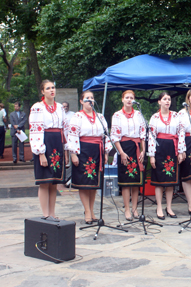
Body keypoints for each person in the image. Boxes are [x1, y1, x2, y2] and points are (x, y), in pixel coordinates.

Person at [67, 90, 112, 224]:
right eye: (87, 98)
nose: (90, 100)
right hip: (83, 150)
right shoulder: (77, 117)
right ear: (81, 101)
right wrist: (73, 154)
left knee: (93, 183)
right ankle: (86, 210)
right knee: (84, 183)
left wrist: (106, 153)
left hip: (97, 150)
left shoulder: (100, 116)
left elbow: (105, 135)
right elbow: (72, 135)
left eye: (92, 98)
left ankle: (92, 211)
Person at [29, 80, 67, 218]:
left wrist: (66, 149)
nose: (52, 90)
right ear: (42, 91)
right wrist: (41, 153)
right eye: (48, 88)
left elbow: (65, 128)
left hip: (57, 143)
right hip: (45, 142)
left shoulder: (60, 107)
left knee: (54, 182)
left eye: (53, 87)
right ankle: (45, 214)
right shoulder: (37, 107)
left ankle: (52, 213)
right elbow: (35, 130)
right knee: (45, 181)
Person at [148, 92, 186, 220]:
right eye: (164, 99)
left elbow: (181, 133)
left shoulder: (176, 115)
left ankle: (169, 207)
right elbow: (151, 136)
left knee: (170, 181)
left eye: (169, 99)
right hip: (159, 148)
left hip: (172, 147)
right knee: (159, 181)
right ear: (159, 102)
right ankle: (159, 207)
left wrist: (181, 151)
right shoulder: (154, 117)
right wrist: (152, 155)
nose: (167, 101)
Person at [111, 90, 146, 221]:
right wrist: (121, 152)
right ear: (122, 99)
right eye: (127, 97)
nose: (129, 100)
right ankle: (126, 209)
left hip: (137, 147)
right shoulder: (117, 115)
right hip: (124, 148)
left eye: (132, 98)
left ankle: (135, 208)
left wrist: (143, 150)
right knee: (126, 181)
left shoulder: (138, 114)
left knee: (136, 181)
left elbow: (143, 133)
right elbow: (114, 136)